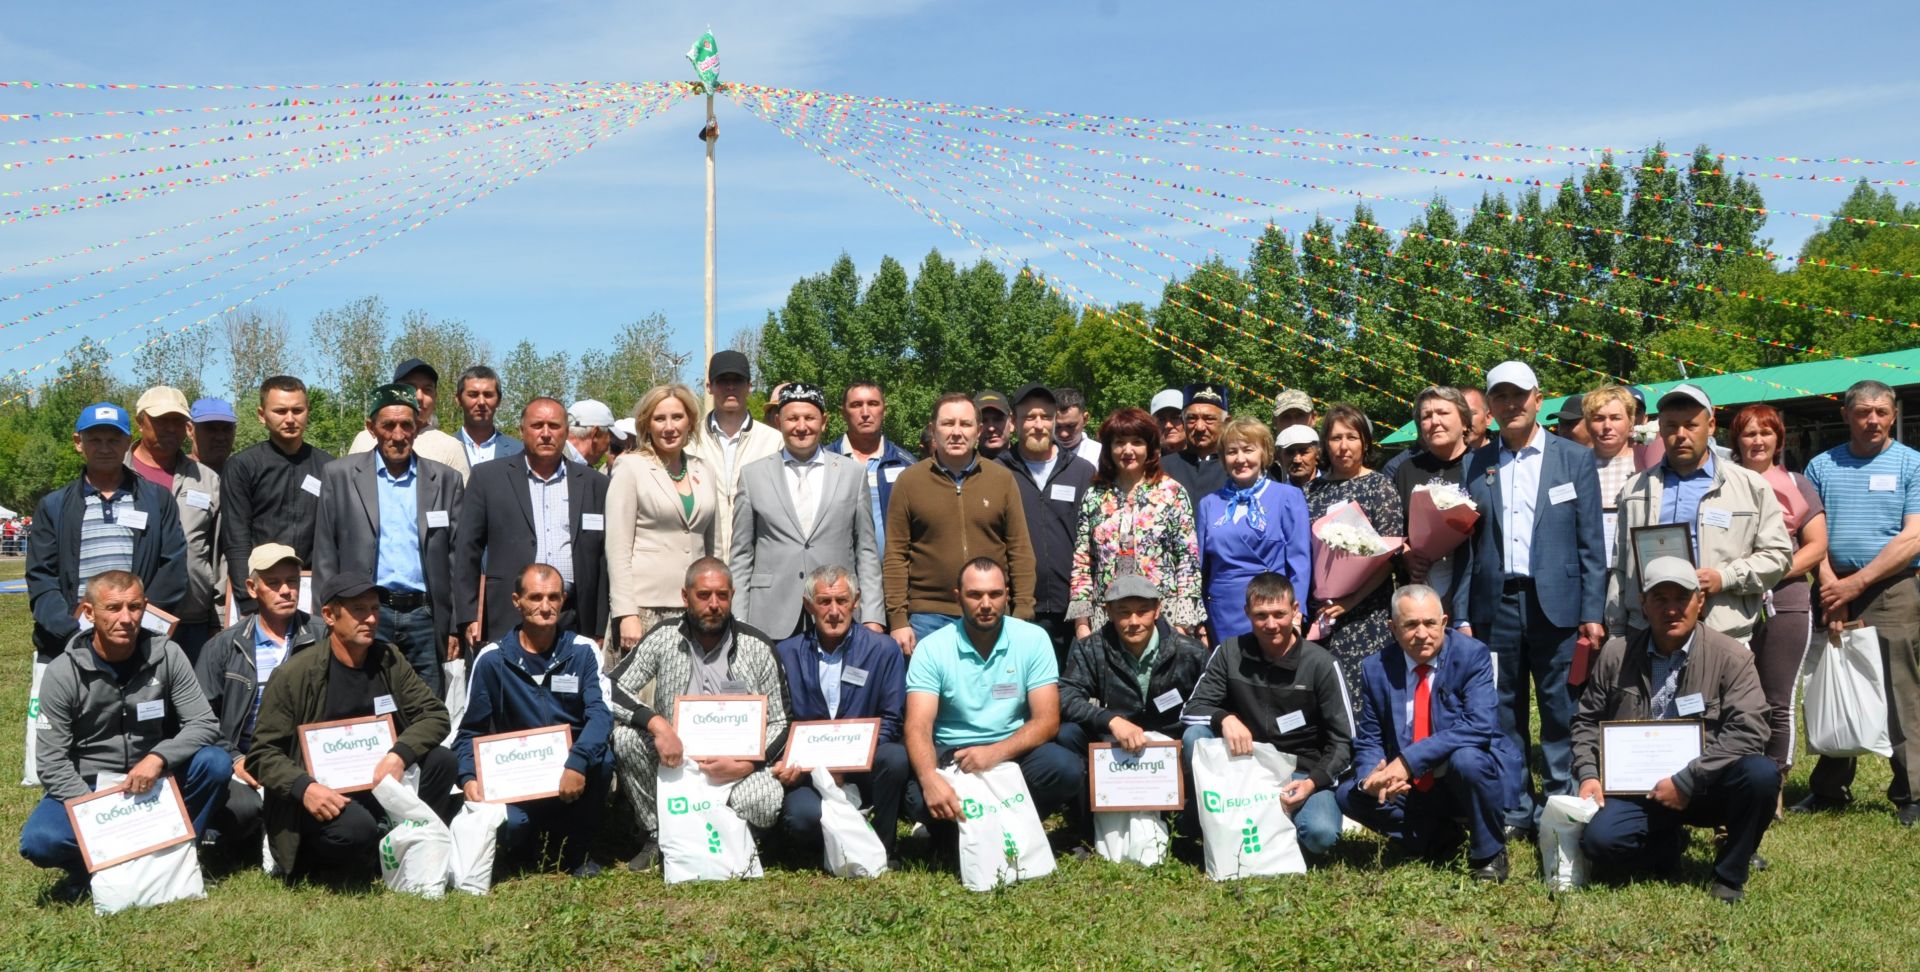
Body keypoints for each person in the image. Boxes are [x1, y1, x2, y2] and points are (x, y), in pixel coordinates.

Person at [1455, 360, 1606, 838]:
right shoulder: (1475, 462)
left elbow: (1591, 544)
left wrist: (1592, 612)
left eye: (1519, 395)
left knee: (1562, 707)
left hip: (1558, 605)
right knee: (1502, 708)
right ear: (1490, 407)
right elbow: (1465, 545)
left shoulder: (1574, 458)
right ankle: (1515, 805)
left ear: (1538, 399)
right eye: (1500, 397)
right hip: (1494, 605)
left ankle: (1561, 800)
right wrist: (1459, 612)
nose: (1511, 404)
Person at [1574, 557, 1778, 903]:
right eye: (1660, 599)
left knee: (1761, 774)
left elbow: (1750, 729)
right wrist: (1588, 774)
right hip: (1637, 788)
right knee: (1599, 844)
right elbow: (1586, 720)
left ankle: (1729, 874)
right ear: (1643, 604)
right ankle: (1667, 845)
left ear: (1700, 601)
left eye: (1681, 599)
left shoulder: (1731, 657)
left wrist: (1687, 780)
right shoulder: (1616, 654)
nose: (1672, 610)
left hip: (1707, 786)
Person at [19, 571, 231, 897]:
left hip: (155, 779)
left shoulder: (168, 655)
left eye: (134, 607)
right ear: (89, 613)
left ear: (145, 607)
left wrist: (159, 758)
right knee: (40, 841)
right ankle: (94, 867)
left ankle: (177, 854)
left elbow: (204, 723)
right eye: (113, 608)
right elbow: (50, 761)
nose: (125, 618)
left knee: (215, 763)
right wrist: (98, 813)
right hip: (89, 785)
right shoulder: (63, 672)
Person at [246, 571, 459, 878]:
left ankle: (404, 845)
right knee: (357, 830)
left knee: (442, 761)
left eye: (375, 609)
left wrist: (399, 754)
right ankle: (336, 856)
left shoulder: (389, 659)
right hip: (323, 795)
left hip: (379, 781)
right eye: (359, 610)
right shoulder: (294, 675)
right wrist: (305, 789)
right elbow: (262, 754)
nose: (371, 619)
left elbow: (436, 715)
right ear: (330, 616)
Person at [605, 559, 790, 871]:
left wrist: (749, 763)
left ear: (732, 595)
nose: (714, 604)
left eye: (722, 595)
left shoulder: (758, 644)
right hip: (674, 757)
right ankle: (657, 835)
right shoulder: (664, 636)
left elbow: (781, 720)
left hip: (737, 765)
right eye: (704, 595)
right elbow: (609, 687)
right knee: (625, 738)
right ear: (685, 596)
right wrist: (656, 723)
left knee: (765, 800)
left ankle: (738, 839)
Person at [1795, 380, 1920, 824]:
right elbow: (1812, 534)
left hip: (1892, 589)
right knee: (1831, 683)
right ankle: (1829, 788)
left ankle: (1911, 792)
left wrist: (1857, 584)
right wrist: (1832, 586)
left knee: (1899, 687)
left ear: (1893, 414)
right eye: (1863, 411)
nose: (1873, 420)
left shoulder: (1912, 464)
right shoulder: (1821, 467)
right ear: (1845, 414)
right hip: (1831, 586)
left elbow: (1914, 536)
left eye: (1882, 412)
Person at [903, 559, 1086, 856]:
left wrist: (994, 753)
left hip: (1011, 753)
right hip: (952, 756)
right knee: (916, 797)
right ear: (957, 596)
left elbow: (1047, 720)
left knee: (1064, 767)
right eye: (975, 595)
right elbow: (917, 725)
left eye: (995, 594)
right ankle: (970, 833)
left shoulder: (1033, 639)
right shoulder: (932, 647)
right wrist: (929, 779)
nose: (986, 604)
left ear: (1007, 595)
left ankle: (1000, 829)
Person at [1337, 584, 1512, 882]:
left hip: (1461, 774)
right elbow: (1370, 737)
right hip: (1411, 787)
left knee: (1467, 760)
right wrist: (1372, 777)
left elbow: (1479, 726)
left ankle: (1489, 851)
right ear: (1392, 628)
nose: (1422, 634)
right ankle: (1440, 839)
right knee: (1349, 795)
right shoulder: (1376, 668)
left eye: (1430, 623)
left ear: (1444, 622)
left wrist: (1407, 761)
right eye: (1410, 625)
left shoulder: (1472, 655)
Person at [1179, 573, 1350, 859]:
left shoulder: (1321, 664)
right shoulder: (1229, 652)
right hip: (1244, 769)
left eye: (1279, 614)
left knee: (1320, 834)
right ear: (1247, 613)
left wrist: (1313, 782)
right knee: (1195, 735)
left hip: (1302, 771)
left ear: (1295, 610)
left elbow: (1344, 740)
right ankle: (1210, 817)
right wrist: (1225, 718)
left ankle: (1275, 828)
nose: (1271, 625)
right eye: (1261, 615)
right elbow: (1192, 710)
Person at [457, 564, 613, 878]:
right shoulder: (492, 659)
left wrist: (578, 762)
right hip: (517, 774)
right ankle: (524, 845)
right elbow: (469, 731)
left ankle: (576, 853)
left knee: (604, 759)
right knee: (516, 830)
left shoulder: (583, 652)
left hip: (571, 772)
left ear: (563, 599)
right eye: (535, 597)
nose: (545, 606)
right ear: (517, 601)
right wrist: (467, 777)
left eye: (553, 597)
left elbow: (600, 715)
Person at [1606, 384, 1791, 643]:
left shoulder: (1750, 486)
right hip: (1649, 631)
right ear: (1660, 430)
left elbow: (1778, 556)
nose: (1680, 435)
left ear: (1711, 425)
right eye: (1671, 426)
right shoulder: (1635, 488)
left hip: (1721, 633)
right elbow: (1620, 565)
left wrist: (1724, 578)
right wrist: (1616, 630)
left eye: (1691, 425)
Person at [312, 383, 465, 695]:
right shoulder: (339, 476)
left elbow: (457, 558)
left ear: (418, 426)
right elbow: (325, 553)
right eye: (388, 426)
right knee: (364, 702)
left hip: (425, 617)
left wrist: (454, 625)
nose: (398, 435)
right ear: (371, 428)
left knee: (425, 711)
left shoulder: (445, 481)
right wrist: (326, 619)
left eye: (407, 425)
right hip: (365, 614)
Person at [193, 544, 329, 854]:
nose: (285, 591)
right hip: (248, 760)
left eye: (292, 581)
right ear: (252, 588)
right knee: (244, 813)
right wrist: (237, 760)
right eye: (273, 583)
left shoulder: (323, 637)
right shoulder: (223, 647)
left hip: (307, 759)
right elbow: (201, 718)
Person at [27, 402, 188, 662]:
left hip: (136, 635)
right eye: (95, 439)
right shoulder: (53, 506)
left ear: (127, 443)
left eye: (114, 440)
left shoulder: (157, 500)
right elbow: (41, 576)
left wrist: (136, 623)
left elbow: (174, 566)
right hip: (71, 640)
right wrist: (69, 630)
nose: (104, 448)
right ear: (78, 442)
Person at [771, 565, 910, 866]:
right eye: (824, 602)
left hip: (866, 764)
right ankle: (834, 844)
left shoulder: (883, 650)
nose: (834, 611)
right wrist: (798, 763)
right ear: (809, 605)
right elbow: (782, 719)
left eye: (842, 601)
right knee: (802, 819)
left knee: (896, 757)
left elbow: (892, 719)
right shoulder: (786, 653)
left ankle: (883, 848)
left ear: (856, 601)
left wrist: (848, 761)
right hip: (810, 772)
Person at [882, 393, 1038, 653]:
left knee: (995, 692)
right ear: (933, 430)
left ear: (977, 431)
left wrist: (1022, 611)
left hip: (992, 611)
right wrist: (897, 618)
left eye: (965, 424)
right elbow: (896, 556)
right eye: (947, 424)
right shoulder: (909, 482)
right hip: (928, 617)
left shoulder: (1001, 479)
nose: (956, 432)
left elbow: (1019, 549)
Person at [455, 397, 611, 649]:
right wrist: (468, 615)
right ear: (522, 431)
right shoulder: (488, 478)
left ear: (567, 432)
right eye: (537, 425)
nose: (546, 434)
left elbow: (603, 558)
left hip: (574, 614)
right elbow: (466, 551)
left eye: (554, 426)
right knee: (510, 686)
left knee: (568, 687)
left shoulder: (595, 484)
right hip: (509, 611)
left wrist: (599, 623)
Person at [732, 383, 883, 640]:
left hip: (837, 611)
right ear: (779, 422)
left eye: (809, 418)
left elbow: (866, 551)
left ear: (824, 422)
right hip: (770, 614)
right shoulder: (752, 475)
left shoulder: (852, 474)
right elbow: (741, 555)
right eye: (792, 418)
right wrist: (737, 619)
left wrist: (873, 616)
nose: (801, 426)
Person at [1729, 403, 1828, 782]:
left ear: (1778, 438)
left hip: (1785, 601)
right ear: (1736, 440)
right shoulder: (1723, 481)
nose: (1758, 440)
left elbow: (1816, 546)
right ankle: (1734, 776)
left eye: (1765, 432)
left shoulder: (1797, 484)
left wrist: (1767, 573)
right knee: (1733, 697)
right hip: (1733, 600)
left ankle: (1775, 782)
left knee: (1777, 699)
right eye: (1749, 433)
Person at [1068, 407, 1203, 639]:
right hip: (1107, 615)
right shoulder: (1094, 495)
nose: (1128, 450)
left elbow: (1188, 561)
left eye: (1137, 442)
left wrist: (1183, 624)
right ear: (1109, 448)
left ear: (1149, 448)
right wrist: (1082, 624)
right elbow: (1082, 561)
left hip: (1163, 616)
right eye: (1120, 442)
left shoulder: (1172, 492)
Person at [607, 384, 718, 657]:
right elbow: (617, 547)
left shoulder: (704, 469)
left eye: (677, 417)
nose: (669, 427)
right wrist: (626, 612)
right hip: (645, 610)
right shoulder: (630, 467)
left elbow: (710, 546)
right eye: (660, 419)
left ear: (690, 421)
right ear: (647, 424)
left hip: (696, 607)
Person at [1303, 404, 1405, 701]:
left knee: (1365, 693)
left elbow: (1390, 556)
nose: (1343, 446)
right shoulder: (1311, 491)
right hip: (1322, 612)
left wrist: (1349, 601)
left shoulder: (1380, 486)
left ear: (1365, 443)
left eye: (1352, 437)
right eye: (1336, 438)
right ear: (1325, 444)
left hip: (1367, 612)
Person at [998, 384, 1096, 659]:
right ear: (1014, 423)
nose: (1038, 425)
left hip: (1073, 612)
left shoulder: (1082, 472)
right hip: (1019, 608)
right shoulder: (997, 472)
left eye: (1045, 417)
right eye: (1029, 417)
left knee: (1070, 695)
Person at [221, 375, 333, 615]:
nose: (290, 419)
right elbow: (236, 539)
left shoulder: (329, 467)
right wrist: (249, 600)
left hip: (312, 591)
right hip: (261, 591)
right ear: (262, 415)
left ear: (308, 412)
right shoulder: (243, 466)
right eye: (280, 411)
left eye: (298, 410)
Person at [126, 386, 222, 657]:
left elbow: (219, 550)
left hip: (193, 616)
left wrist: (220, 613)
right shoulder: (118, 476)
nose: (170, 428)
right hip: (128, 615)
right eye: (160, 421)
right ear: (140, 422)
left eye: (177, 421)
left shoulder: (207, 479)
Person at [1197, 416, 1311, 644]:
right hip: (1223, 612)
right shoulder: (1208, 504)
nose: (1240, 459)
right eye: (1231, 452)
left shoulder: (1288, 497)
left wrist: (1296, 615)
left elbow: (1300, 562)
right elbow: (1199, 569)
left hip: (1273, 609)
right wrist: (1199, 621)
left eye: (1248, 450)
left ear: (1264, 453)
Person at [690, 350, 783, 558]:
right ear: (709, 387)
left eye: (738, 380)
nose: (730, 387)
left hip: (757, 562)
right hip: (703, 563)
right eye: (723, 380)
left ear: (750, 386)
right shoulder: (689, 440)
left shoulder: (774, 441)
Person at [1389, 388, 1474, 607]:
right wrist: (1407, 557)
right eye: (1426, 416)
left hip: (1472, 588)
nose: (1434, 421)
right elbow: (1393, 530)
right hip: (1419, 592)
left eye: (1443, 413)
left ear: (1464, 422)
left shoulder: (1482, 466)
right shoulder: (1407, 470)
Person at [347, 358, 472, 483]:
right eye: (410, 388)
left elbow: (459, 499)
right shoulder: (364, 440)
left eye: (427, 389)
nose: (418, 397)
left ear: (435, 396)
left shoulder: (451, 447)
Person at [829, 380, 917, 554]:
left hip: (892, 574)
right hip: (838, 576)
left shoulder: (907, 464)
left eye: (873, 404)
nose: (865, 412)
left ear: (884, 410)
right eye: (856, 405)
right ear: (843, 413)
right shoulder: (824, 462)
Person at [1583, 385, 1639, 567]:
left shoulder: (1645, 464)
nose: (1607, 426)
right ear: (1587, 424)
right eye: (1599, 418)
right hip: (1589, 568)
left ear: (1630, 424)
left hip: (1631, 566)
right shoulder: (1575, 465)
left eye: (1616, 418)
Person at [1161, 383, 1229, 499]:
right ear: (1183, 421)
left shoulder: (1237, 466)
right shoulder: (1163, 467)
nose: (1199, 427)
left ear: (1226, 422)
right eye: (1192, 418)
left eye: (1209, 419)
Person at [452, 364, 524, 467]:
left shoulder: (519, 452)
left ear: (499, 400)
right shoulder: (442, 449)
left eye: (488, 395)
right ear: (458, 399)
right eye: (473, 395)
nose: (481, 402)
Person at [1053, 387, 1105, 467]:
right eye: (1057, 427)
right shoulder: (1037, 456)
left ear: (1085, 419)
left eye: (1071, 426)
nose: (1064, 434)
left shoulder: (1101, 456)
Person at [189, 397, 238, 475]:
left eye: (227, 428)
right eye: (210, 429)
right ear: (190, 430)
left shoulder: (243, 475)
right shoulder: (175, 475)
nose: (220, 437)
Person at [565, 399, 616, 469]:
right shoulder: (556, 465)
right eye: (610, 436)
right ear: (595, 434)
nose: (607, 449)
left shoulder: (552, 460)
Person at [1275, 424, 1320, 489]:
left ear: (1317, 454)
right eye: (1290, 453)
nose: (1297, 460)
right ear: (1280, 459)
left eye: (1304, 452)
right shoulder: (1277, 497)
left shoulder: (1333, 490)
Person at [974, 389, 1012, 462]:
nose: (991, 428)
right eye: (983, 421)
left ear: (1012, 422)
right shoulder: (964, 468)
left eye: (998, 419)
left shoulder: (1029, 464)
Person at [1149, 388, 1186, 453]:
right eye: (1162, 419)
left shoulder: (1204, 458)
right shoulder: (1147, 460)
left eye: (1175, 418)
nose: (1168, 425)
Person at [1461, 387, 1491, 452]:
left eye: (1471, 413)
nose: (1464, 420)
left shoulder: (1504, 455)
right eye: (1460, 414)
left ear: (1488, 418)